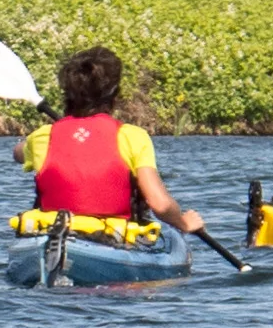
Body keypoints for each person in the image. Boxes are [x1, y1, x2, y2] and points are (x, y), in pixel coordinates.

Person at [15, 46, 204, 234]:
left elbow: (18, 153)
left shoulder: (42, 137)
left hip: (55, 232)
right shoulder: (132, 136)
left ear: (67, 93)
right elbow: (160, 204)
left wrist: (32, 145)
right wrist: (184, 223)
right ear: (115, 94)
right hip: (113, 237)